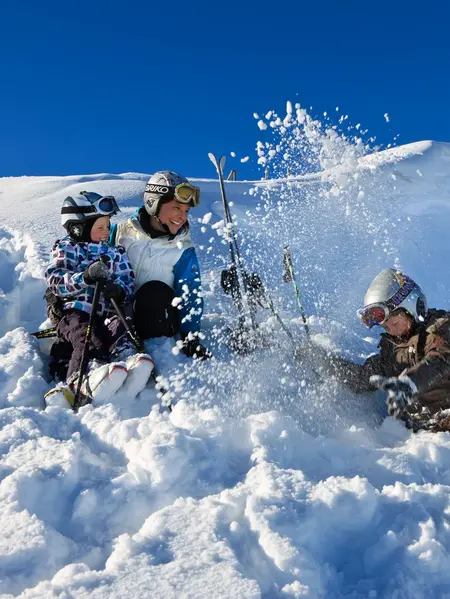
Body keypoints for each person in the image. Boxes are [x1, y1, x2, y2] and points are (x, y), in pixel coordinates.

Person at [295, 268, 450, 432]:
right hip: (421, 435)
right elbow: (363, 377)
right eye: (386, 327)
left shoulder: (441, 328)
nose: (391, 331)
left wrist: (410, 382)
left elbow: (441, 360)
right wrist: (322, 362)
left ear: (412, 308)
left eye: (395, 323)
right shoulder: (392, 350)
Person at [44, 191, 153, 407]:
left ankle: (126, 358)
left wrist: (119, 290)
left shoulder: (115, 253)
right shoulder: (67, 248)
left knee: (123, 325)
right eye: (100, 227)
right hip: (75, 312)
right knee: (87, 335)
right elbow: (55, 280)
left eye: (108, 225)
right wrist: (84, 277)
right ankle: (81, 376)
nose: (107, 231)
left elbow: (127, 280)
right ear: (78, 228)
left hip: (110, 310)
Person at [109, 170, 210, 360]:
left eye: (186, 211)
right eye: (176, 208)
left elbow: (191, 292)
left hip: (160, 319)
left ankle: (153, 357)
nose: (182, 216)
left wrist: (191, 336)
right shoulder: (120, 233)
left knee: (152, 292)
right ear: (153, 202)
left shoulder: (183, 248)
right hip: (121, 316)